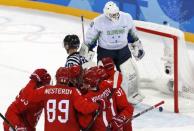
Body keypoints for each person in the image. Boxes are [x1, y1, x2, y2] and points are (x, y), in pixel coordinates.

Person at [79, 1, 145, 104]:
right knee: (103, 75)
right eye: (112, 15)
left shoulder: (126, 18)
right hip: (106, 51)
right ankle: (103, 95)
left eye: (116, 13)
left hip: (123, 50)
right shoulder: (98, 21)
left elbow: (132, 34)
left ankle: (129, 94)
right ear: (106, 14)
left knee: (128, 74)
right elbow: (90, 39)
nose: (115, 16)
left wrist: (138, 47)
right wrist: (86, 51)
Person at [27, 65, 104, 131]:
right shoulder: (73, 92)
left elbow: (29, 95)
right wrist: (97, 105)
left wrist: (33, 80)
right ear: (68, 79)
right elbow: (84, 108)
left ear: (56, 77)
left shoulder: (46, 90)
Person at [79, 66, 134, 131]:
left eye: (86, 82)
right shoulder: (85, 97)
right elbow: (84, 124)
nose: (83, 84)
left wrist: (121, 118)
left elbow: (128, 108)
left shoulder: (112, 87)